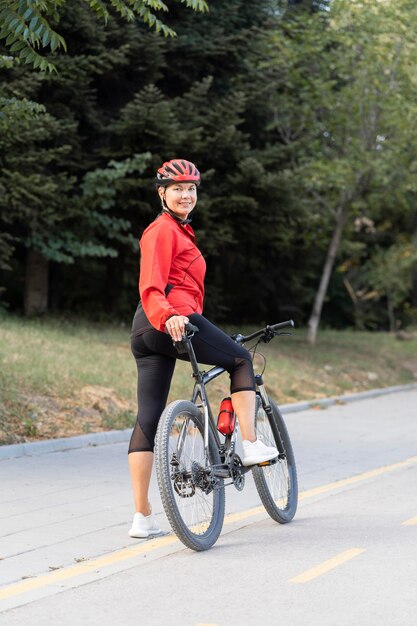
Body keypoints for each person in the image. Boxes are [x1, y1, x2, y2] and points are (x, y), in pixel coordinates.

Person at [128, 158, 278, 538]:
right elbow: (151, 286)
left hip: (146, 331)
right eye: (177, 188)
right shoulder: (161, 231)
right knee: (241, 359)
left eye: (191, 189)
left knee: (148, 419)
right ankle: (248, 443)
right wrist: (170, 318)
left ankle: (142, 518)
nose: (186, 195)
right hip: (169, 320)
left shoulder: (181, 231)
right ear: (161, 193)